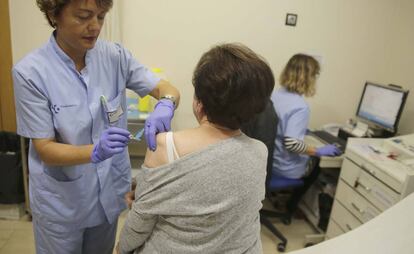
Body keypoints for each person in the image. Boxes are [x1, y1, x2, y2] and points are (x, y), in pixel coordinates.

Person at [12, 0, 180, 253]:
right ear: (53, 14)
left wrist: (166, 103)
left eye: (100, 17)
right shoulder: (30, 73)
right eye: (83, 16)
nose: (94, 27)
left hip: (108, 196)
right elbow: (44, 148)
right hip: (63, 203)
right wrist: (94, 151)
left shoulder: (114, 56)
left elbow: (165, 88)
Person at [116, 43, 275, 254]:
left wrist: (120, 249)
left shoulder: (166, 145)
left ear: (199, 103)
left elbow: (140, 222)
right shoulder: (259, 151)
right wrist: (149, 186)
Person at [271, 53, 341, 213]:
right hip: (285, 168)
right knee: (319, 163)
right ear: (309, 77)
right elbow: (292, 144)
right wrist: (318, 151)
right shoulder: (300, 107)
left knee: (313, 156)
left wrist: (301, 130)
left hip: (270, 161)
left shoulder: (275, 95)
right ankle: (292, 206)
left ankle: (286, 199)